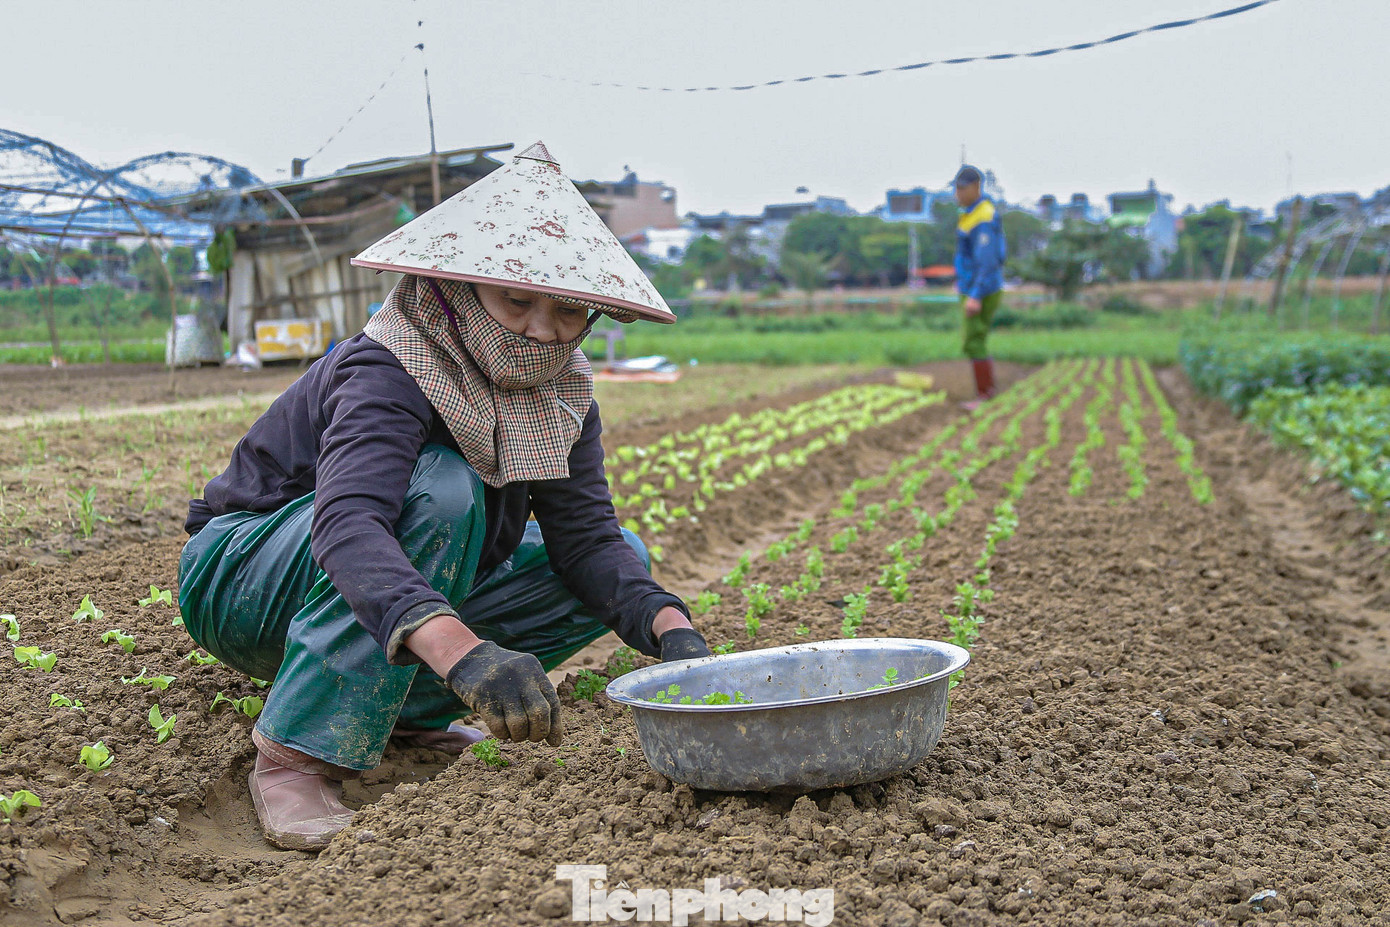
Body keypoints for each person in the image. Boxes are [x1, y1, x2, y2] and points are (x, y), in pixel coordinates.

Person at [177, 142, 712, 851]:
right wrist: (468, 655)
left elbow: (585, 539)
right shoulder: (389, 363)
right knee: (443, 488)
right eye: (517, 299)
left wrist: (674, 633)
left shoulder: (561, 393)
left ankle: (403, 707)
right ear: (459, 287)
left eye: (569, 309)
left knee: (621, 560)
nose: (540, 329)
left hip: (367, 585)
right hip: (245, 575)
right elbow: (349, 524)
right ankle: (294, 757)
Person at [952, 164, 1006, 407]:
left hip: (981, 289)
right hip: (973, 286)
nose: (958, 194)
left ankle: (985, 395)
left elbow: (987, 260)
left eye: (962, 189)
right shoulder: (972, 214)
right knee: (975, 339)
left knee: (974, 339)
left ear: (976, 187)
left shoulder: (983, 216)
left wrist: (975, 294)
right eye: (956, 188)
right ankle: (986, 392)